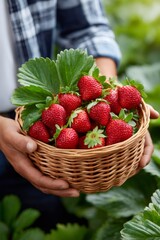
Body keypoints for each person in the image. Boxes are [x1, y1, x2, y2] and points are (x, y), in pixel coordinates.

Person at [0, 0, 159, 231]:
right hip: (41, 126)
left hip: (39, 133)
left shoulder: (64, 117)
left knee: (45, 219)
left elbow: (86, 28)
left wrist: (109, 93)